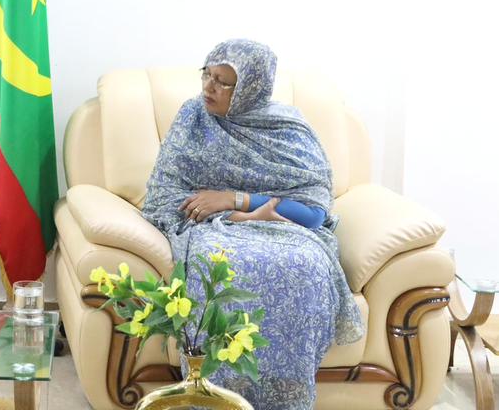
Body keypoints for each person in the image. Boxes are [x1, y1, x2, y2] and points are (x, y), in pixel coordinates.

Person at [141, 39, 363, 410]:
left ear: (251, 88)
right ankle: (213, 399)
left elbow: (312, 213)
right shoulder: (193, 118)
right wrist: (232, 216)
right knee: (217, 267)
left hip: (286, 232)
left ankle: (284, 397)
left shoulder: (287, 128)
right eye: (207, 75)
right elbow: (165, 196)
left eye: (223, 82)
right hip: (213, 228)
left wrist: (237, 200)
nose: (209, 87)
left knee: (303, 266)